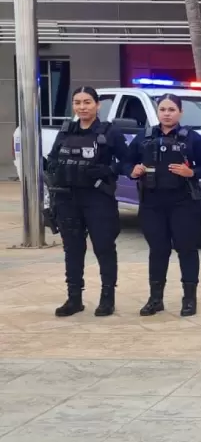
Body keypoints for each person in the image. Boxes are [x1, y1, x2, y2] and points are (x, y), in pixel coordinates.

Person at [124, 94, 201, 317]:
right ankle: (155, 299)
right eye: (163, 109)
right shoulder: (144, 137)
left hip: (183, 202)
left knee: (186, 250)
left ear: (180, 113)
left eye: (172, 109)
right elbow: (125, 161)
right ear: (157, 112)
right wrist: (132, 170)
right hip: (152, 203)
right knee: (158, 250)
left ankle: (189, 299)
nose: (167, 113)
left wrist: (191, 172)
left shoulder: (191, 138)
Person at [46, 86, 128, 317]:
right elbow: (52, 159)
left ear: (97, 105)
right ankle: (74, 299)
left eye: (87, 102)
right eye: (77, 102)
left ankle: (107, 299)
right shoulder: (65, 131)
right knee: (72, 249)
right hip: (67, 199)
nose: (82, 107)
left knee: (103, 248)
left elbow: (127, 161)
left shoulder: (110, 132)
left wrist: (108, 169)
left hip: (97, 198)